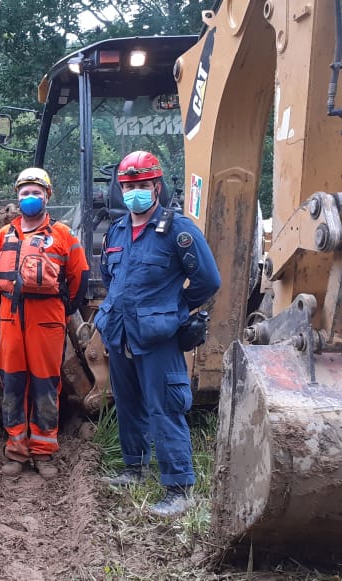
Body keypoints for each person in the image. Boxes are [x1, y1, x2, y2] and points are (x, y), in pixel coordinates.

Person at [96, 151, 220, 516]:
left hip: (157, 335)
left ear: (156, 186)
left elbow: (208, 280)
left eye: (142, 185)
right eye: (128, 186)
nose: (135, 192)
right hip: (120, 333)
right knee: (128, 403)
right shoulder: (117, 231)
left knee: (166, 408)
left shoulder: (178, 231)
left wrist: (173, 307)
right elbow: (110, 277)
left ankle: (179, 488)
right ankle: (134, 468)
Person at [0, 168, 88, 479]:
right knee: (13, 384)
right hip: (11, 316)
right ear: (16, 197)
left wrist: (62, 308)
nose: (30, 198)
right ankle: (16, 451)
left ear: (48, 195)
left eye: (36, 192)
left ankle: (44, 452)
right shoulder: (3, 236)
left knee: (46, 384)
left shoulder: (63, 235)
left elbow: (79, 278)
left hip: (47, 319)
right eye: (25, 193)